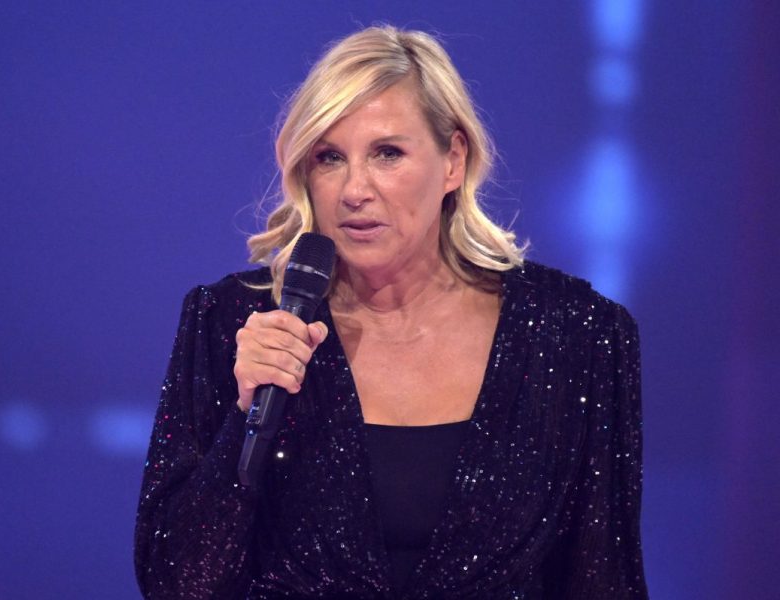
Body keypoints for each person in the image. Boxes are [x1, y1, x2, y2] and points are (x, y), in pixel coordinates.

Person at [134, 25, 648, 599]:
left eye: (387, 153)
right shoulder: (232, 322)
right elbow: (174, 582)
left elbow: (604, 579)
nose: (354, 190)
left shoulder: (576, 334)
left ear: (453, 160)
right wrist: (244, 417)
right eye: (329, 157)